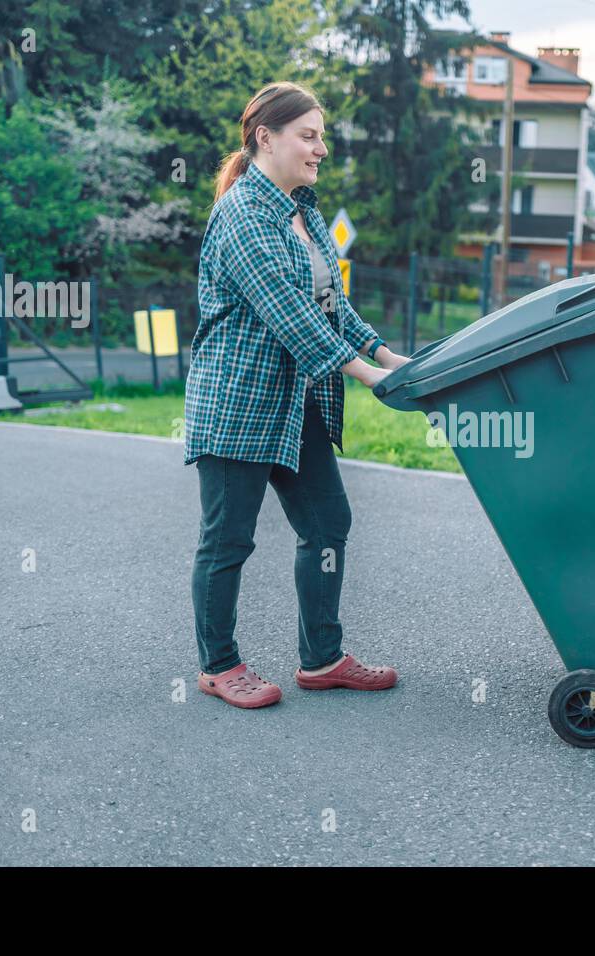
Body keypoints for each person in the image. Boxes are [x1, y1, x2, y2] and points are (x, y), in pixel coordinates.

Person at [183, 81, 408, 709]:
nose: (321, 148)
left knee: (327, 523)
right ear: (266, 138)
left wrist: (386, 353)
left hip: (295, 400)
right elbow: (289, 314)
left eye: (322, 135)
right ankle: (219, 665)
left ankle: (322, 658)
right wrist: (368, 377)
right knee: (228, 539)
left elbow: (329, 302)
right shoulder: (241, 215)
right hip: (237, 403)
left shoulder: (301, 209)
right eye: (308, 135)